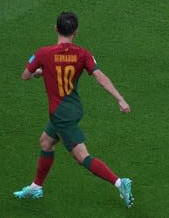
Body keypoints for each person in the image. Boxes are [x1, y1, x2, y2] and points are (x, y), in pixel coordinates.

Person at [13, 11, 134, 209]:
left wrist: (40, 71)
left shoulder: (43, 53)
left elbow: (26, 75)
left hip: (61, 115)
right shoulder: (82, 53)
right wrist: (120, 99)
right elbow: (99, 77)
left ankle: (120, 183)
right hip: (73, 108)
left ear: (55, 28)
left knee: (81, 157)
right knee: (46, 142)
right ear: (75, 32)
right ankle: (36, 187)